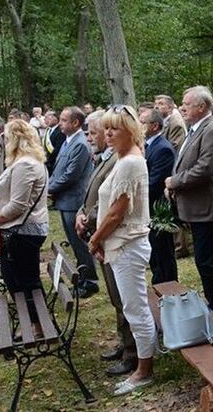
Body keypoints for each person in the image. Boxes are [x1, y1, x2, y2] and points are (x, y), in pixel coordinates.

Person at [87, 105, 157, 396]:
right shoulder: (122, 158)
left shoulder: (130, 162)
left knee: (135, 308)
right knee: (131, 306)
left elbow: (117, 212)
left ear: (131, 129)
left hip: (128, 244)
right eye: (106, 128)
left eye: (114, 127)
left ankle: (144, 370)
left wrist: (95, 240)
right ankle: (145, 358)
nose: (108, 133)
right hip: (119, 243)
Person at [165, 86, 213, 321]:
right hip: (195, 206)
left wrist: (175, 182)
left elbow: (205, 168)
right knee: (204, 261)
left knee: (208, 262)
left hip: (207, 207)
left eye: (186, 103)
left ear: (202, 106)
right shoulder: (195, 129)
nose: (182, 107)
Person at [74, 109, 135, 375]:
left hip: (115, 237)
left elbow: (111, 203)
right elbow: (92, 191)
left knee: (123, 296)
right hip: (101, 233)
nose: (90, 137)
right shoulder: (106, 157)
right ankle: (124, 342)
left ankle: (133, 352)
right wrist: (80, 212)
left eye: (93, 132)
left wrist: (88, 221)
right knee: (114, 295)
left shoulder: (123, 160)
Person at [0, 120, 49, 337]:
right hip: (22, 230)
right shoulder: (25, 162)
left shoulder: (25, 165)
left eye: (6, 137)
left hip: (22, 232)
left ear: (15, 139)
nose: (4, 140)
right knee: (17, 279)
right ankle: (31, 321)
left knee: (23, 280)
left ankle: (36, 324)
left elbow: (18, 205)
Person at [48, 107, 98, 297]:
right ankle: (84, 277)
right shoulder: (68, 141)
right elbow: (58, 170)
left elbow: (71, 175)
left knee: (79, 243)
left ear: (75, 123)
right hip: (65, 200)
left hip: (74, 200)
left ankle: (90, 281)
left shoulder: (80, 144)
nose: (59, 123)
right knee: (74, 242)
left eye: (63, 120)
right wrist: (50, 186)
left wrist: (49, 190)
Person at [140, 109, 177, 284]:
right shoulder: (148, 145)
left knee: (163, 252)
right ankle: (160, 282)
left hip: (157, 209)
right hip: (148, 209)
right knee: (155, 253)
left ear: (155, 126)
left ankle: (168, 286)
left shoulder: (163, 148)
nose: (139, 126)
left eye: (143, 123)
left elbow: (155, 182)